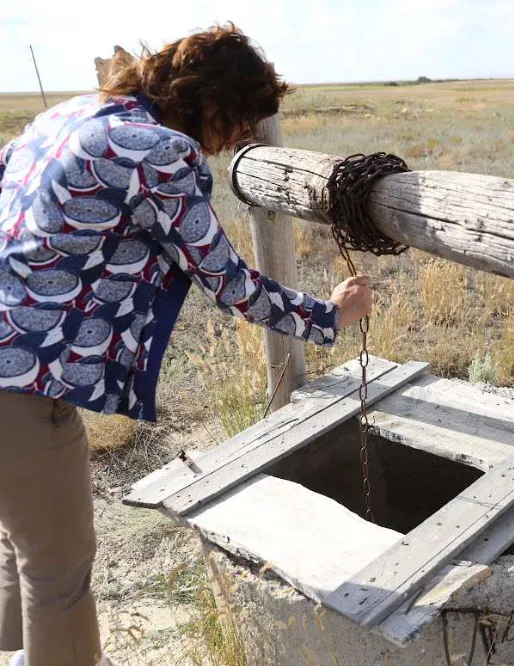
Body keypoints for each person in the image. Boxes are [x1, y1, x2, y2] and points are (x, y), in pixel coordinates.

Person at [0, 24, 373, 665]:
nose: (239, 140)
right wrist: (328, 317)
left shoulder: (67, 116)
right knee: (59, 574)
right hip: (22, 392)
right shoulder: (159, 151)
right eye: (241, 122)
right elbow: (228, 282)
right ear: (211, 103)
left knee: (20, 544)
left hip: (13, 374)